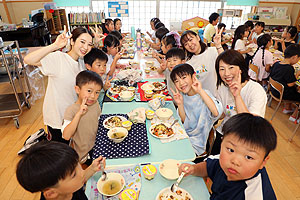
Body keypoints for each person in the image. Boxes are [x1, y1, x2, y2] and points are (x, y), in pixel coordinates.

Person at [179, 113, 277, 200]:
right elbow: (208, 167)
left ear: (263, 162)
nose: (235, 161)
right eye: (231, 150)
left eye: (248, 157)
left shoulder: (254, 195)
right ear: (222, 142)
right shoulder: (222, 159)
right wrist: (193, 169)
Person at [24, 26, 93, 144]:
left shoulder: (80, 63)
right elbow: (28, 59)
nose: (85, 47)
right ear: (72, 41)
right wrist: (55, 46)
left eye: (89, 44)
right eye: (82, 42)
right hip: (57, 118)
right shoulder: (59, 58)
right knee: (59, 154)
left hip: (72, 116)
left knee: (69, 148)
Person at [212, 49, 267, 155]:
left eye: (231, 67)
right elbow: (222, 113)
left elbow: (250, 126)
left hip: (246, 140)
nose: (226, 73)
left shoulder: (255, 90)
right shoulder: (222, 87)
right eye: (222, 69)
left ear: (241, 69)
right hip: (225, 133)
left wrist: (237, 96)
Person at [16, 141, 106, 200]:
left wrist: (92, 168)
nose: (82, 171)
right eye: (74, 174)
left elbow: (79, 180)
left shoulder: (65, 188)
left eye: (78, 164)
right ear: (51, 193)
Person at [170, 64, 223, 156]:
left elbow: (216, 113)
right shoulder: (184, 96)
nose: (181, 83)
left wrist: (200, 91)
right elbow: (184, 121)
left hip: (196, 143)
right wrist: (180, 104)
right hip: (184, 136)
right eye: (177, 81)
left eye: (184, 78)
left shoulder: (204, 94)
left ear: (193, 77)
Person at [62, 70, 103, 163]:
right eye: (89, 91)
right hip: (84, 154)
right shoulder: (71, 110)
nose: (93, 96)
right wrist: (79, 114)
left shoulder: (95, 104)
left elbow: (97, 121)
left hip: (96, 145)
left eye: (97, 92)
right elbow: (66, 136)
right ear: (77, 89)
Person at [180, 28, 224, 95]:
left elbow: (226, 63)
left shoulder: (213, 51)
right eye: (185, 44)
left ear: (198, 37)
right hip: (201, 98)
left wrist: (218, 45)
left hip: (218, 95)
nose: (189, 44)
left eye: (191, 40)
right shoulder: (188, 63)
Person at [270, 44, 300, 122]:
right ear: (294, 57)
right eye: (298, 59)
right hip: (282, 94)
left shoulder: (276, 63)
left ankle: (287, 108)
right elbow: (291, 84)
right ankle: (294, 116)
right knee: (296, 90)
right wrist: (297, 74)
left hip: (274, 90)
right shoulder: (289, 68)